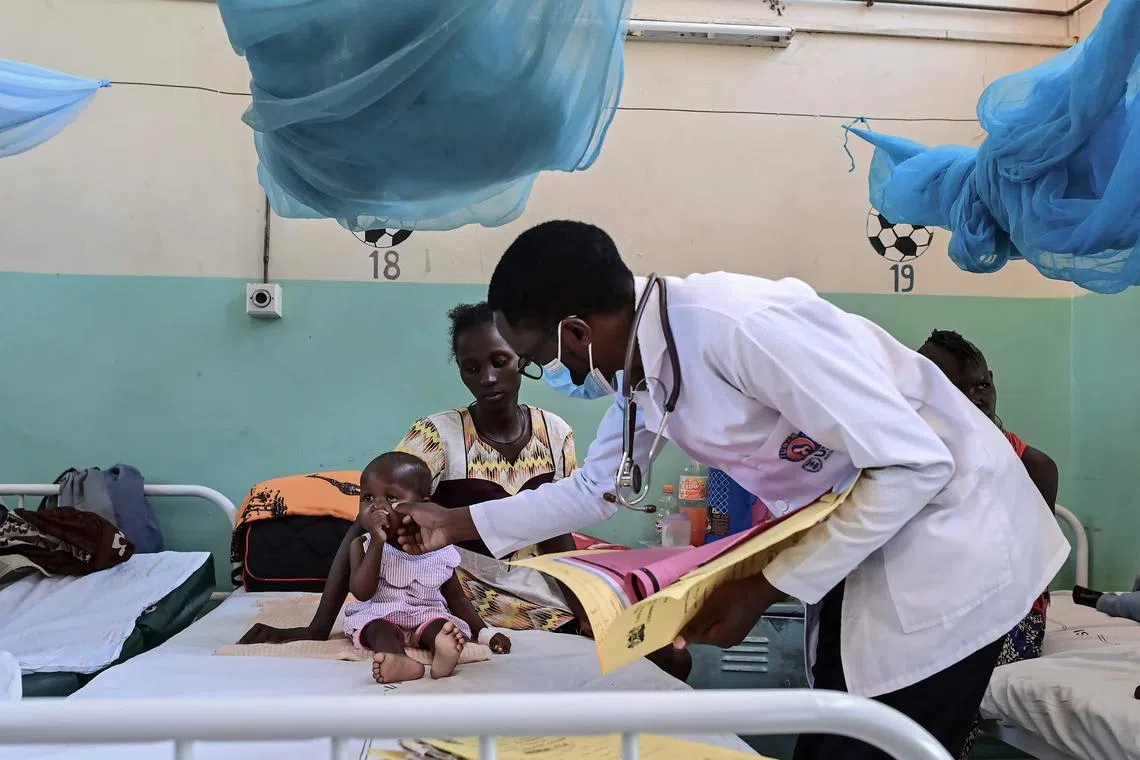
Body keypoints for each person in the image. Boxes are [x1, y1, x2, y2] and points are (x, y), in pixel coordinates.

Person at [393, 220, 1069, 760]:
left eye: (540, 359)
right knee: (837, 733)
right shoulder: (642, 373)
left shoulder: (738, 327)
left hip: (952, 548)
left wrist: (764, 584)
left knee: (879, 744)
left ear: (575, 330)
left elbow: (914, 465)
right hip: (865, 548)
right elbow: (597, 489)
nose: (551, 371)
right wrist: (451, 525)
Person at [238, 301, 691, 679]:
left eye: (499, 362)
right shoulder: (436, 437)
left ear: (522, 360)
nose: (487, 378)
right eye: (471, 368)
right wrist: (319, 627)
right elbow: (368, 523)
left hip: (543, 593)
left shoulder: (556, 433)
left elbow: (559, 530)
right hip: (466, 600)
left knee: (671, 654)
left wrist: (587, 604)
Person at [918, 329, 1060, 758]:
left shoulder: (1033, 467)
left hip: (1007, 616)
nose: (974, 396)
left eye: (981, 384)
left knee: (946, 677)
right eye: (954, 388)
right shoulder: (913, 462)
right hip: (936, 608)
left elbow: (1024, 573)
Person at [347, 452, 511, 683]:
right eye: (368, 498)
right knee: (378, 630)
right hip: (379, 614)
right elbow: (362, 592)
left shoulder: (440, 552)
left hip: (425, 615)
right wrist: (376, 542)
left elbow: (458, 600)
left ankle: (442, 654)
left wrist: (485, 633)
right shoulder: (362, 545)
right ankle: (397, 660)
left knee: (441, 626)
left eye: (391, 497)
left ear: (421, 508)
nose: (377, 507)